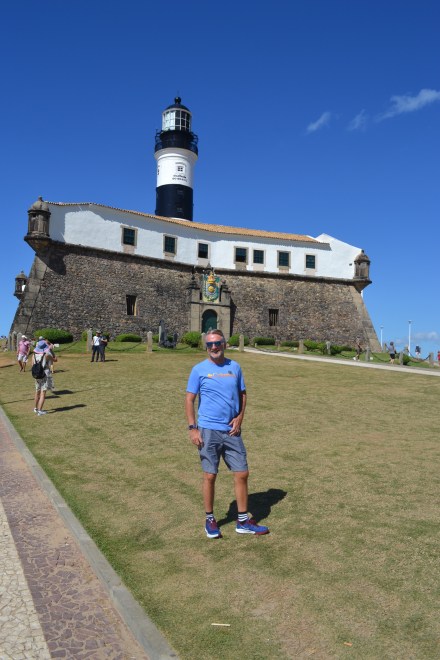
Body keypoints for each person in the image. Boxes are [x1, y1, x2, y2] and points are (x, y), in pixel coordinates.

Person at [185, 329, 269, 539]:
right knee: (210, 475)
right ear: (206, 346)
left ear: (224, 344)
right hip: (208, 430)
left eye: (217, 343)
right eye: (210, 344)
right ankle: (210, 519)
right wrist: (193, 428)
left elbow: (243, 394)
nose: (214, 347)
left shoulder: (235, 367)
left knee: (242, 473)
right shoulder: (199, 370)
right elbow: (189, 399)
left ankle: (243, 521)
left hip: (232, 430)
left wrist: (240, 417)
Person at [32, 339, 57, 416]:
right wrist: (51, 350)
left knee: (37, 392)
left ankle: (35, 408)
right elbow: (55, 359)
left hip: (37, 375)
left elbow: (33, 365)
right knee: (43, 393)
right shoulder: (46, 355)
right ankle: (40, 411)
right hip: (45, 374)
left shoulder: (33, 355)